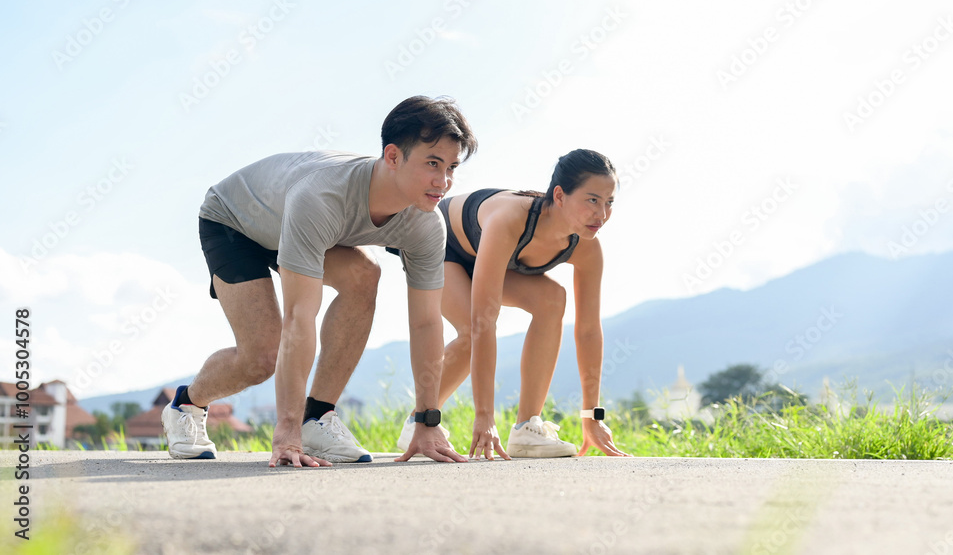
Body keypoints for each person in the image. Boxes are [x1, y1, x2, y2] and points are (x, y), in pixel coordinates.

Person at [161, 96, 477, 467]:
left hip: (300, 225)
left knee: (364, 275)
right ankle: (186, 404)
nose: (444, 181)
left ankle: (319, 416)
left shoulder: (425, 223)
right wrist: (286, 433)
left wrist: (427, 420)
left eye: (452, 167)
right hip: (236, 220)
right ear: (393, 156)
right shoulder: (322, 196)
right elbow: (300, 317)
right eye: (432, 164)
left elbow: (426, 322)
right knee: (262, 356)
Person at [396, 149, 631, 459]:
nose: (601, 214)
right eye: (592, 200)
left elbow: (588, 331)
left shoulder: (586, 248)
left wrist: (592, 417)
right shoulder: (511, 219)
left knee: (552, 299)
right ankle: (420, 419)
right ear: (559, 196)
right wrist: (485, 417)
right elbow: (484, 323)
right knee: (471, 330)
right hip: (441, 242)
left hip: (491, 257)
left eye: (609, 202)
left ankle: (526, 429)